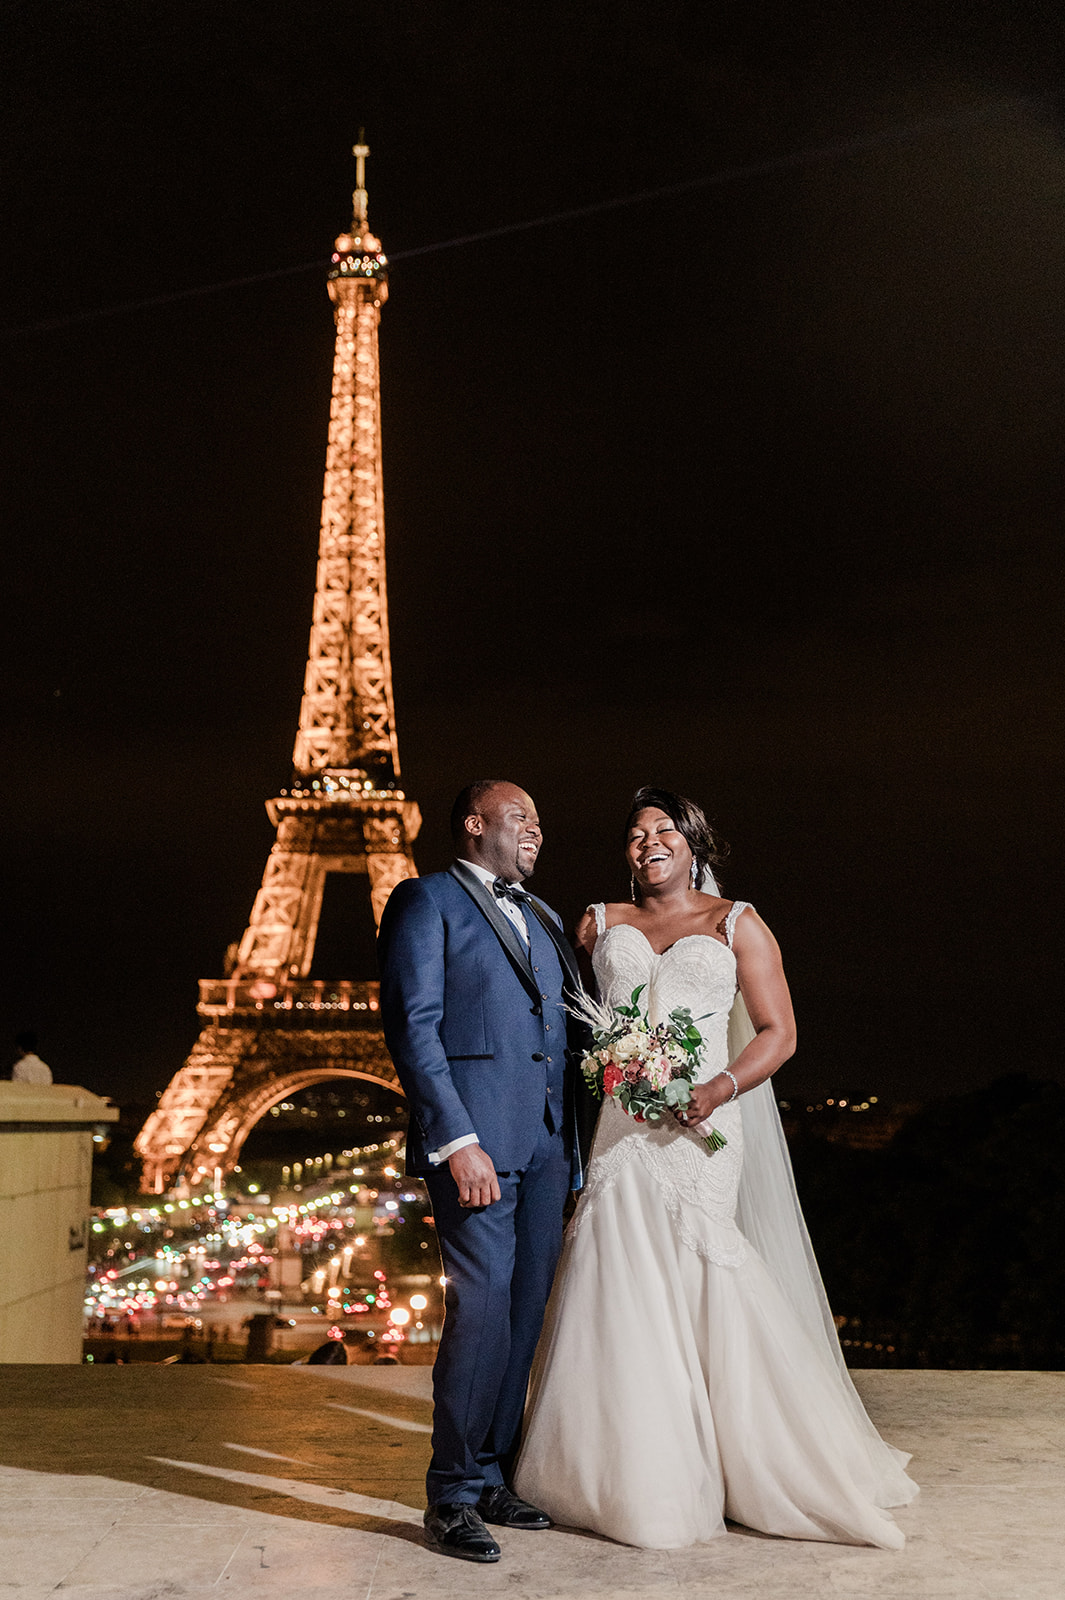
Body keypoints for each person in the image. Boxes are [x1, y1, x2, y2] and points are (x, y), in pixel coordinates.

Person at [514, 786, 919, 1550]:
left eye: (663, 828)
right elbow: (569, 1030)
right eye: (634, 833)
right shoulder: (598, 922)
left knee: (704, 1277)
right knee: (616, 1279)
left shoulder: (737, 924)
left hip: (701, 1127)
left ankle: (746, 1462)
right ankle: (633, 1473)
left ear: (693, 841)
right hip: (620, 1127)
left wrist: (716, 1086)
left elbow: (777, 1031)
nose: (646, 842)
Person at [378, 780, 586, 1563]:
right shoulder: (424, 900)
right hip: (475, 1145)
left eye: (539, 817)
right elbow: (415, 1027)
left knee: (524, 1313)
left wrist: (571, 1149)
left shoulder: (545, 917)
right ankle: (453, 1492)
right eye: (520, 816)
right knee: (480, 1310)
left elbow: (558, 1039)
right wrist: (454, 1138)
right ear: (474, 826)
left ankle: (494, 1472)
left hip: (543, 1145)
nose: (537, 828)